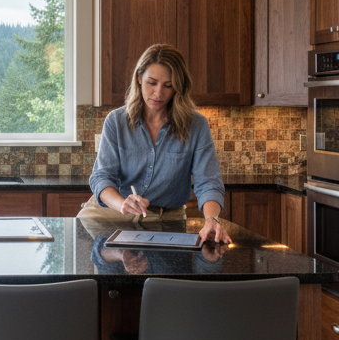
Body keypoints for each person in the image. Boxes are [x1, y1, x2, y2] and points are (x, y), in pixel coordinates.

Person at [81, 43, 231, 246]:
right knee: (105, 269)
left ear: (178, 86)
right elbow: (101, 177)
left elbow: (208, 182)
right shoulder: (116, 121)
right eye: (152, 82)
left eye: (168, 85)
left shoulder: (196, 125)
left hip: (166, 219)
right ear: (139, 78)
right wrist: (123, 204)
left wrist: (211, 219)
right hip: (110, 213)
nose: (158, 93)